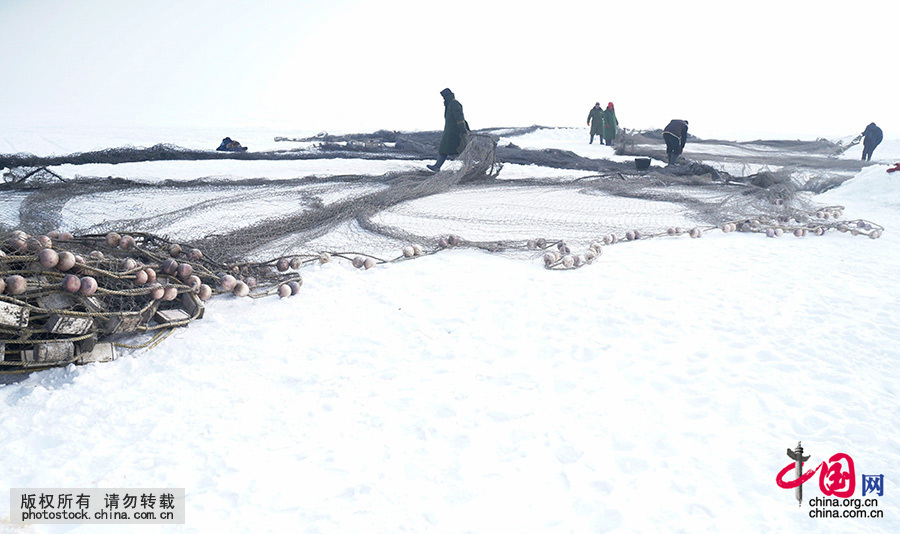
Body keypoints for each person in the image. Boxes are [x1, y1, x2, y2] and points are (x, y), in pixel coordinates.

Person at [427, 88, 469, 171]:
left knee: (460, 150)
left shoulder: (454, 103)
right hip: (450, 131)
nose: (443, 98)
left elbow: (459, 116)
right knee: (445, 149)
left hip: (456, 132)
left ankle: (467, 167)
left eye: (443, 96)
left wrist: (462, 128)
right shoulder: (449, 104)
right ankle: (437, 166)